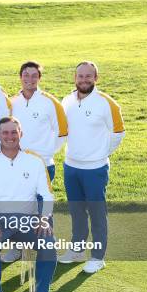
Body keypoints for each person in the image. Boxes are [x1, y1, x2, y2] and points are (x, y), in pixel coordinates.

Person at [0, 116, 56, 292]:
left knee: (48, 244)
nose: (10, 136)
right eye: (5, 132)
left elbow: (47, 195)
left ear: (21, 134)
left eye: (14, 132)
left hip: (29, 219)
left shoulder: (35, 160)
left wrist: (44, 217)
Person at [58, 61, 125, 273]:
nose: (84, 80)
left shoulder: (107, 103)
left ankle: (98, 256)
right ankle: (77, 250)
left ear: (96, 78)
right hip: (71, 166)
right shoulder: (67, 100)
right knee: (77, 211)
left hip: (95, 169)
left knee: (96, 212)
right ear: (75, 78)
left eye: (89, 76)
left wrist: (100, 153)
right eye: (80, 76)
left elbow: (118, 133)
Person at [3, 61, 68, 263]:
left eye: (34, 75)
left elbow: (63, 132)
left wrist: (46, 153)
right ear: (20, 77)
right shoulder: (11, 103)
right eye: (26, 75)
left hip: (42, 165)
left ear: (39, 78)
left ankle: (46, 248)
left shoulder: (50, 102)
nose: (29, 79)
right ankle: (17, 248)